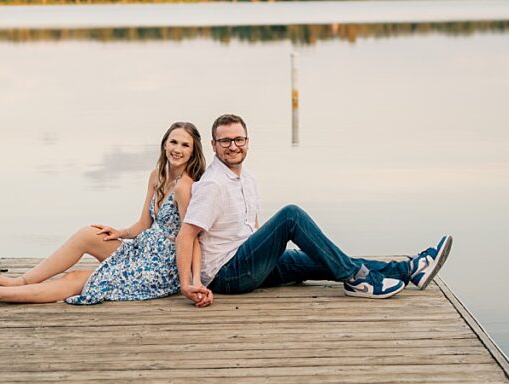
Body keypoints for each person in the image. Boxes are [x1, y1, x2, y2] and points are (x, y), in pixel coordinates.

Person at [175, 114, 452, 307]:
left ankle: (411, 268)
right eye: (225, 141)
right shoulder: (213, 184)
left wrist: (269, 250)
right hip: (228, 274)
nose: (233, 146)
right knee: (291, 215)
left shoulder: (247, 178)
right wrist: (188, 285)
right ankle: (358, 280)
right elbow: (187, 236)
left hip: (252, 261)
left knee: (327, 259)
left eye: (238, 139)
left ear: (248, 141)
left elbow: (251, 229)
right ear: (213, 146)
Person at [0, 121, 207, 306]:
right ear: (164, 144)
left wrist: (193, 281)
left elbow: (192, 238)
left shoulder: (186, 187)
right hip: (142, 250)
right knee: (90, 233)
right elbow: (143, 224)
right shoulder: (157, 176)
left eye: (185, 145)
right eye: (173, 142)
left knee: (78, 278)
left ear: (193, 152)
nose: (178, 149)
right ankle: (18, 281)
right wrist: (119, 232)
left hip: (163, 266)